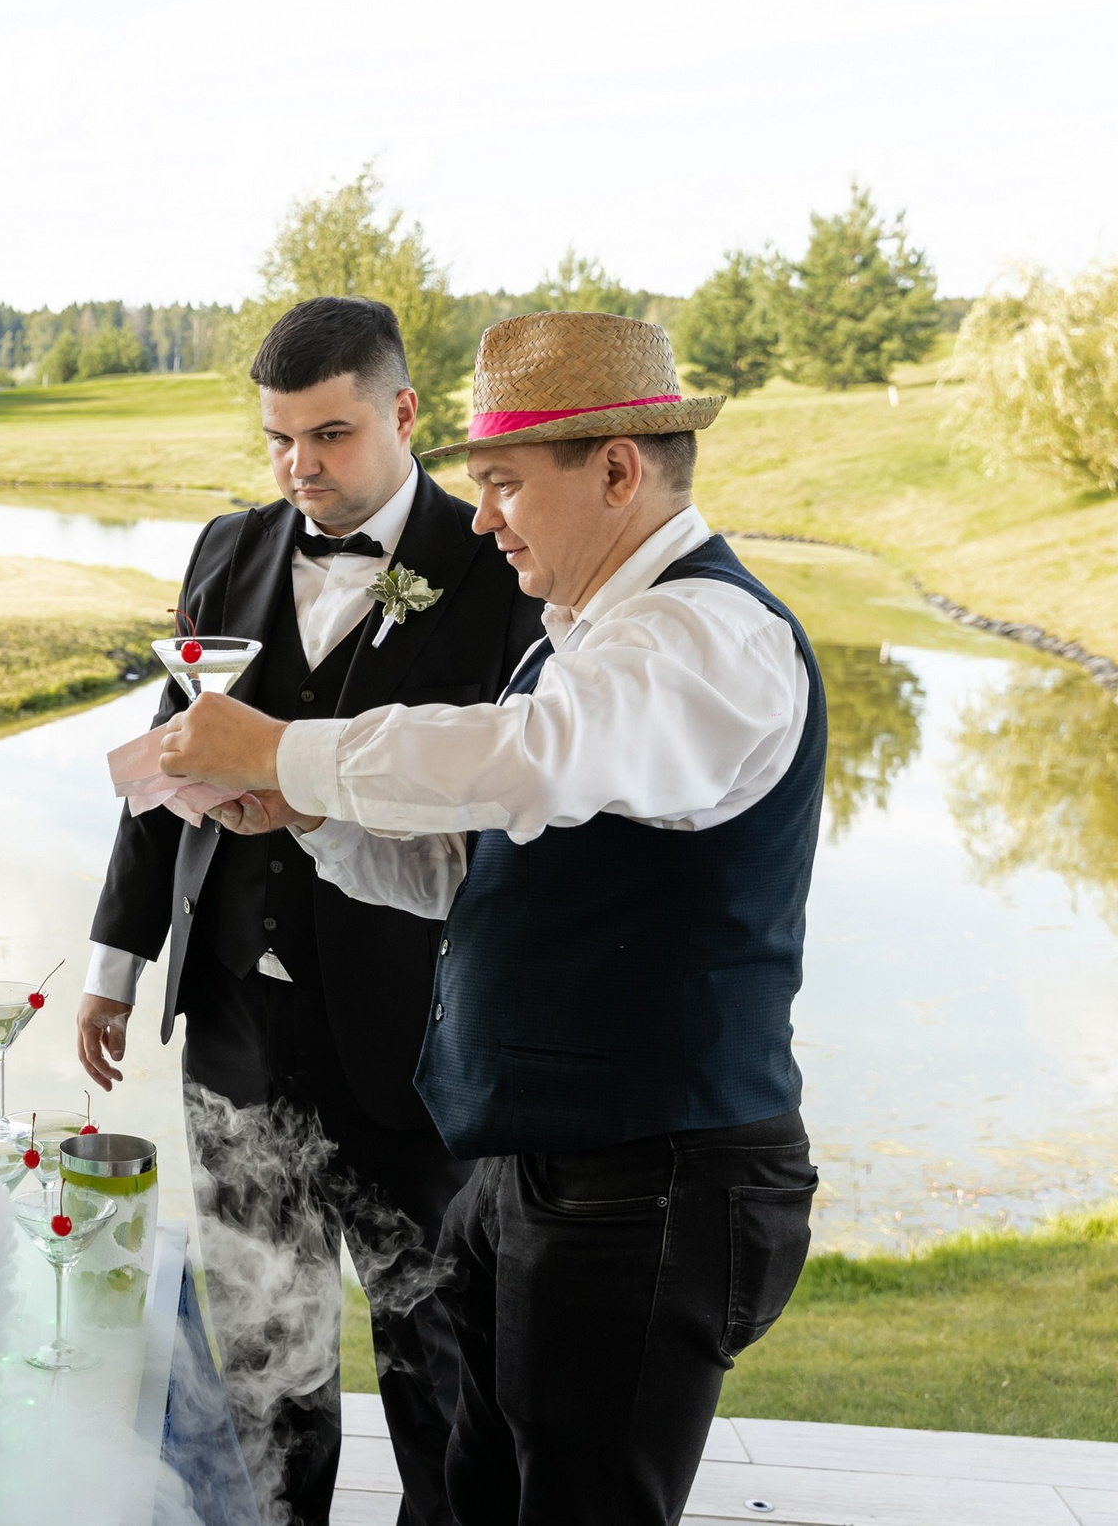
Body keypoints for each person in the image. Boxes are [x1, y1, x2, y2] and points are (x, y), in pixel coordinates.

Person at [155, 310, 823, 1525]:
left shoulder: (706, 633)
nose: (483, 517)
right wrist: (306, 820)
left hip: (657, 1177)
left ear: (617, 469)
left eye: (505, 484)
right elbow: (478, 872)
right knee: (472, 1490)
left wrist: (288, 750)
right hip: (539, 1167)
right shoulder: (582, 641)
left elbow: (531, 762)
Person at [80, 296, 541, 1525]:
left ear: (402, 414)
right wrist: (115, 961)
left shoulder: (495, 571)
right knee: (259, 1343)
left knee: (433, 1347)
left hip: (413, 1029)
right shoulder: (227, 548)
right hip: (233, 1010)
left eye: (328, 436)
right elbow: (165, 756)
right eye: (280, 439)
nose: (299, 468)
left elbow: (506, 813)